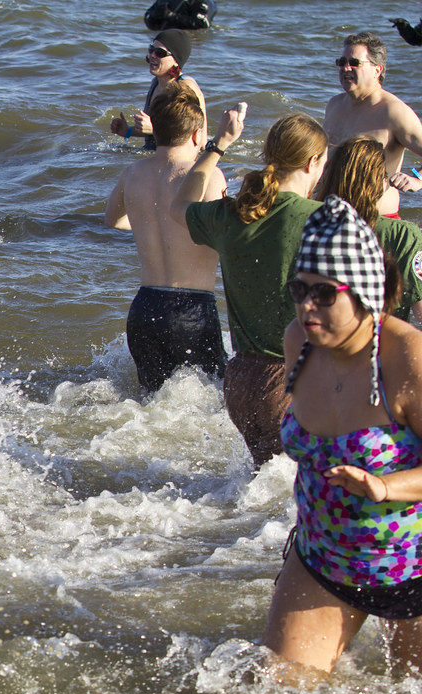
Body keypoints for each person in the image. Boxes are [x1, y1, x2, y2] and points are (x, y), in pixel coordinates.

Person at [263, 195, 422, 676]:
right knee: (277, 693)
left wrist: (385, 486)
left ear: (367, 291)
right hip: (323, 557)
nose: (307, 306)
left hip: (412, 568)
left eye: (325, 294)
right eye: (299, 289)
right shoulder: (300, 342)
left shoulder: (406, 358)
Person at [171, 112, 328, 468]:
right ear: (313, 162)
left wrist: (218, 146)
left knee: (262, 488)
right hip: (292, 380)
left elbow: (177, 208)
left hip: (240, 382)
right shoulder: (322, 218)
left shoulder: (232, 215)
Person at [104, 83, 227, 391]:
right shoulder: (207, 174)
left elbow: (113, 220)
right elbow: (221, 235)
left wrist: (150, 224)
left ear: (154, 131)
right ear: (198, 135)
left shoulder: (132, 173)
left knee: (151, 405)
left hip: (144, 308)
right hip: (192, 310)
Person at [316, 135, 422, 323]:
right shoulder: (403, 235)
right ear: (377, 183)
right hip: (380, 344)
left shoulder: (314, 223)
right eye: (384, 176)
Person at [323, 31, 422, 217]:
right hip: (333, 216)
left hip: (378, 220)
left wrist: (417, 179)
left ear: (378, 70)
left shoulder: (394, 111)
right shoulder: (334, 105)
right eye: (342, 62)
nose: (346, 68)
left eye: (354, 63)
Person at [109, 29, 206, 151]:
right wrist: (128, 131)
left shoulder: (186, 87)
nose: (152, 55)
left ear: (176, 60)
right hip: (155, 154)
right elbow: (154, 131)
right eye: (151, 50)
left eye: (160, 53)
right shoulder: (155, 83)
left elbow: (198, 141)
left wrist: (153, 129)